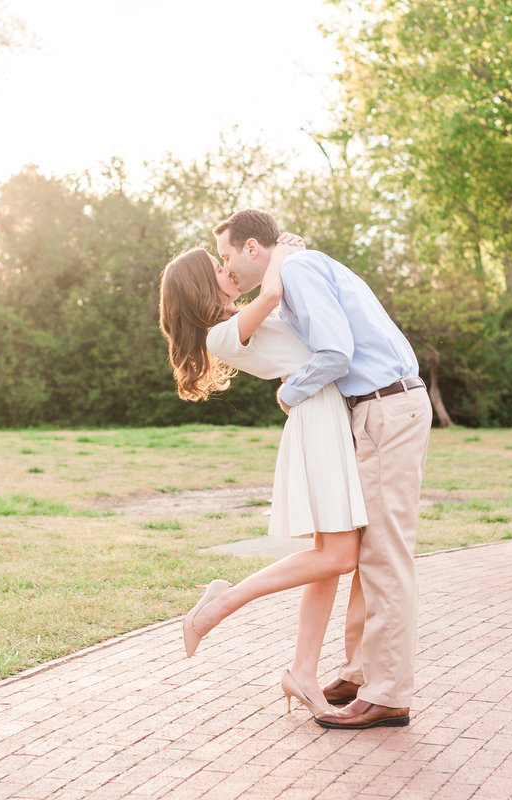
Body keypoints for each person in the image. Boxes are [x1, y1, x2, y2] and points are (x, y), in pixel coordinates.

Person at [213, 209, 431, 730]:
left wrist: (290, 391)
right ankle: (361, 673)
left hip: (384, 408)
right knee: (365, 551)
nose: (226, 269)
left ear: (251, 249)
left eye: (226, 256)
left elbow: (336, 351)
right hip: (379, 410)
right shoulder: (293, 271)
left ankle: (388, 694)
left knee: (384, 558)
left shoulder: (297, 272)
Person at [158, 235, 367, 716]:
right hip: (316, 420)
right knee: (338, 554)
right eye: (216, 265)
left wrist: (279, 256)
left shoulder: (234, 321)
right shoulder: (221, 334)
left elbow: (278, 300)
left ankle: (303, 671)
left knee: (330, 555)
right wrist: (284, 257)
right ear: (198, 285)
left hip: (324, 415)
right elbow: (271, 294)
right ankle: (224, 602)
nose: (225, 267)